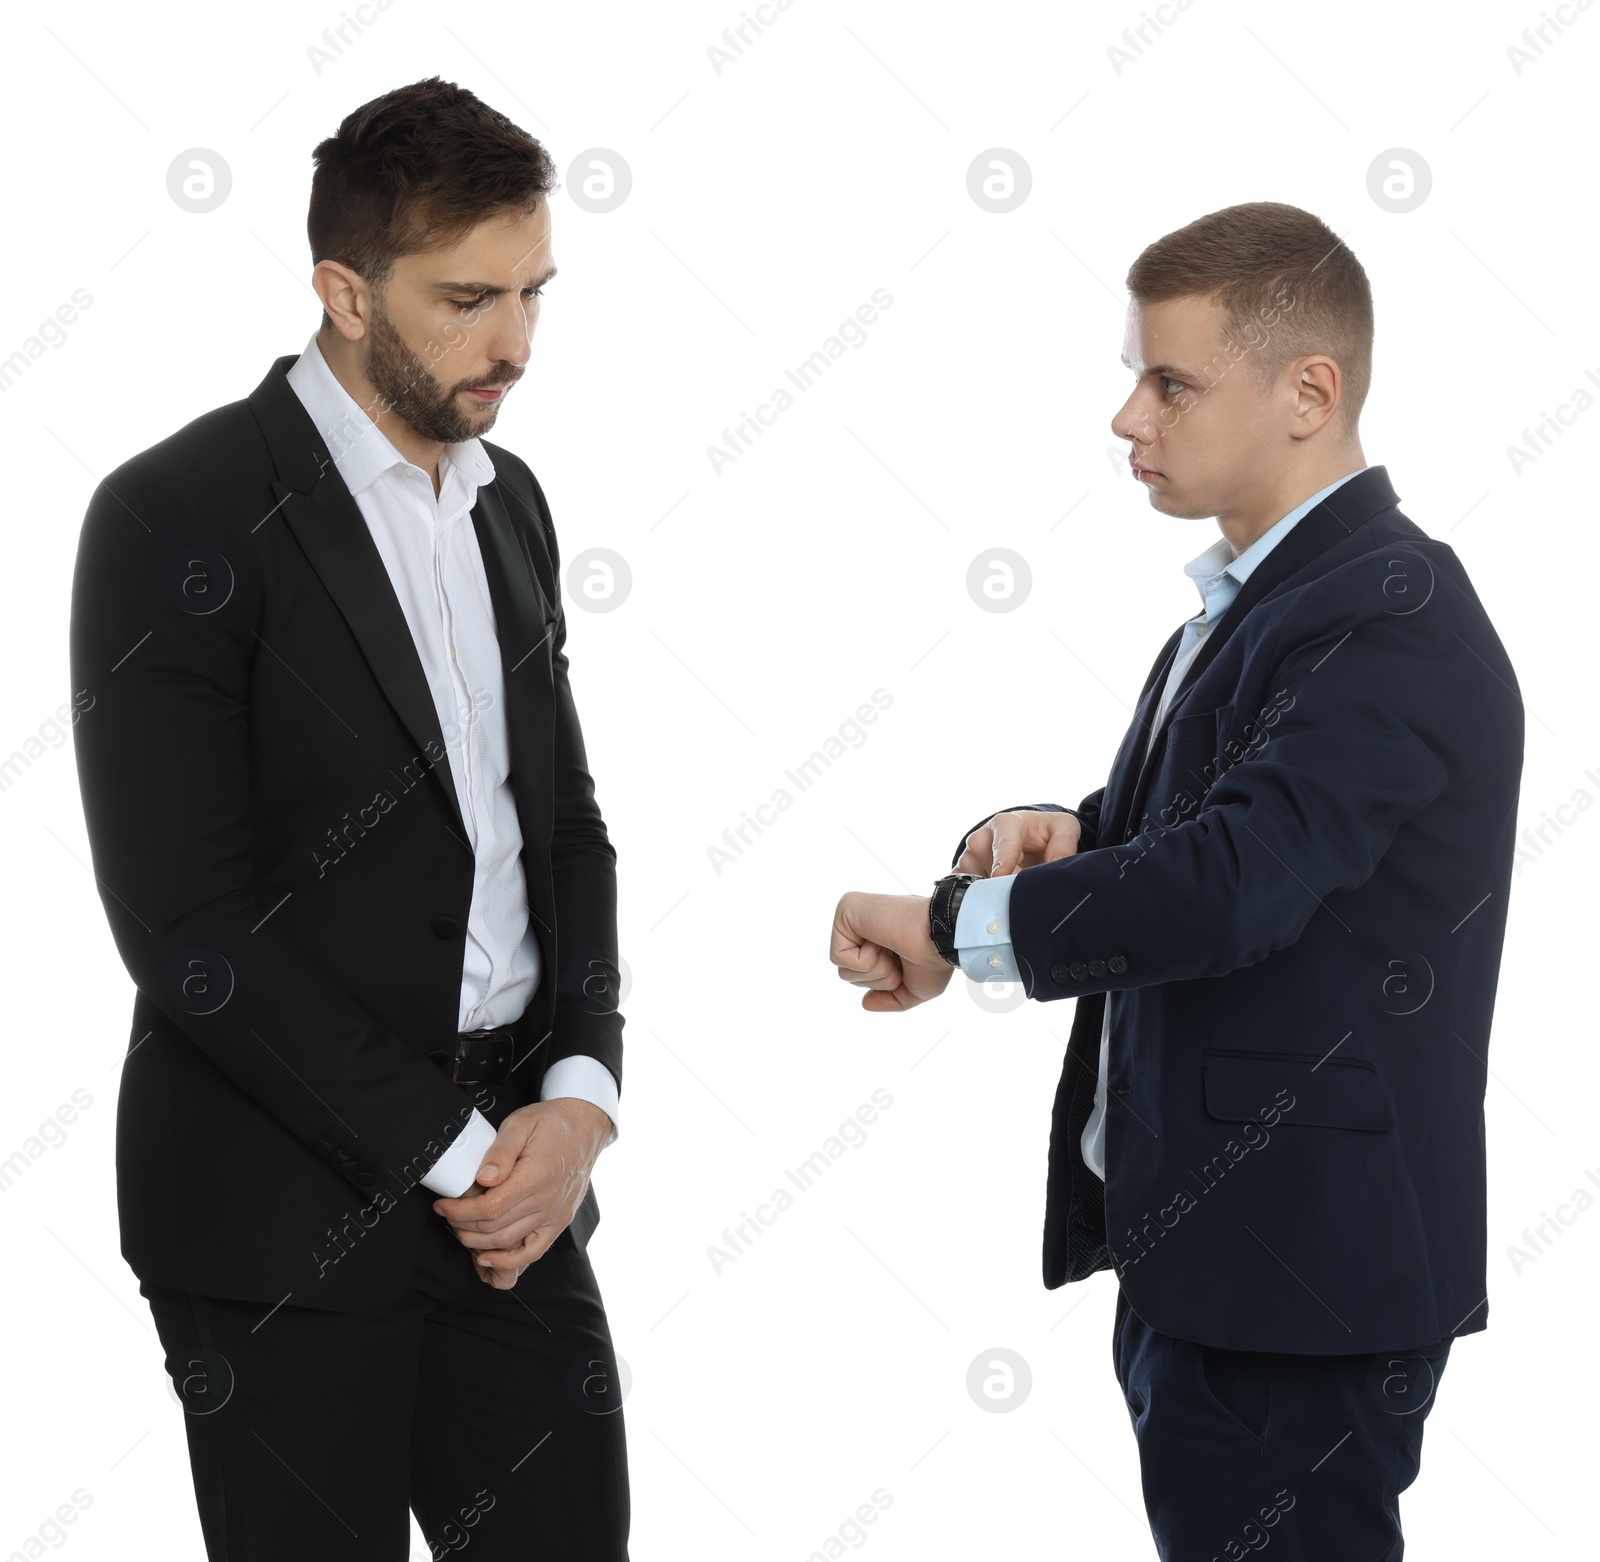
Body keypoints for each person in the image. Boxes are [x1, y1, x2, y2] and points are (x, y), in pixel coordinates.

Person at [830, 201, 1523, 1559]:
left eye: (1172, 383)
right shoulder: (1267, 603)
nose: (1129, 419)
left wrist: (957, 926)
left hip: (1301, 1286)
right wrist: (1083, 832)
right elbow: (1250, 829)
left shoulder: (1389, 614)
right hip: (1220, 1269)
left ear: (1307, 393)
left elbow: (1233, 883)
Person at [69, 77, 629, 1560]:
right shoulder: (172, 513)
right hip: (275, 1209)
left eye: (533, 293)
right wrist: (462, 1153)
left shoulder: (511, 502)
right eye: (467, 299)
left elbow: (563, 824)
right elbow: (184, 931)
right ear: (342, 290)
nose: (513, 343)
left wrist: (579, 1094)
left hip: (521, 1178)